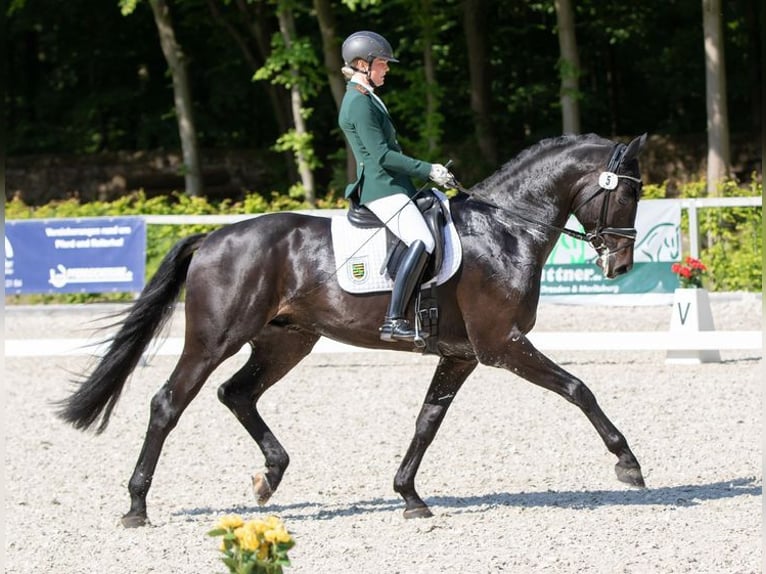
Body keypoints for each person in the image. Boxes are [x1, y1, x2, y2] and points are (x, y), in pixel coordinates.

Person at [338, 30, 455, 343]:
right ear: (362, 64)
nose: (387, 68)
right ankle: (393, 320)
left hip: (393, 184)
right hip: (381, 188)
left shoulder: (367, 97)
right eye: (382, 64)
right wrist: (427, 169)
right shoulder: (358, 103)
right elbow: (382, 156)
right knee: (422, 239)